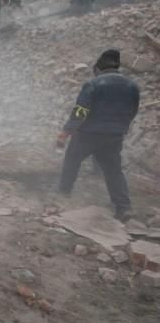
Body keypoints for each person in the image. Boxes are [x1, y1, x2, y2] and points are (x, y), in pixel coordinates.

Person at [56, 49, 139, 221]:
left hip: (88, 134)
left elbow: (80, 111)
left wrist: (66, 131)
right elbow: (132, 111)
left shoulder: (93, 84)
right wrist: (120, 128)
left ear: (98, 68)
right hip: (114, 136)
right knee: (114, 170)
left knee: (72, 159)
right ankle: (124, 207)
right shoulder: (132, 86)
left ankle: (64, 192)